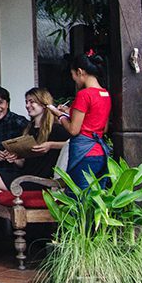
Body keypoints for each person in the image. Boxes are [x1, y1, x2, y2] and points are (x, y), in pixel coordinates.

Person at [0, 87, 70, 263]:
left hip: (41, 182)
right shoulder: (29, 128)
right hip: (25, 178)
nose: (28, 105)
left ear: (44, 103)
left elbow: (75, 142)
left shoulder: (56, 129)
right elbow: (25, 163)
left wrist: (50, 145)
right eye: (26, 102)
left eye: (32, 101)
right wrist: (15, 157)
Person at [51, 51, 112, 189]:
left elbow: (73, 130)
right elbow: (104, 127)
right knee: (97, 197)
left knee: (79, 197)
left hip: (83, 154)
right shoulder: (105, 94)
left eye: (72, 75)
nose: (74, 79)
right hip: (100, 153)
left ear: (79, 72)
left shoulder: (84, 95)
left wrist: (59, 116)